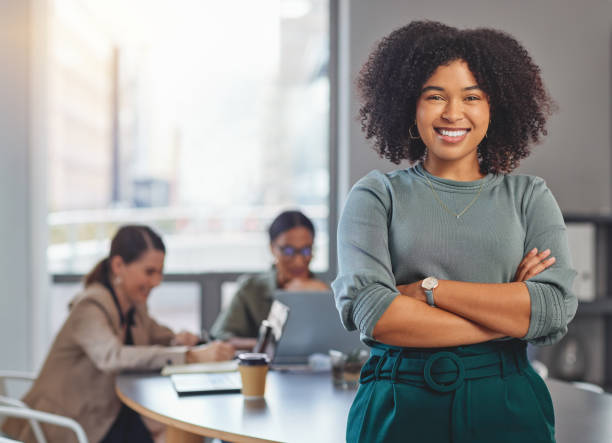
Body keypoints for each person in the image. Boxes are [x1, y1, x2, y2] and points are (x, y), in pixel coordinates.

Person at [332, 21, 577, 443]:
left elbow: (553, 308)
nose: (452, 113)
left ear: (493, 108)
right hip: (398, 404)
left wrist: (429, 289)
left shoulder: (529, 196)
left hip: (508, 404)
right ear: (410, 105)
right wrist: (510, 317)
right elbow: (375, 314)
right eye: (435, 96)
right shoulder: (376, 195)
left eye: (471, 97)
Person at [2, 225, 235, 443]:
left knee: (180, 428)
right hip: (70, 422)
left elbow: (154, 333)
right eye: (149, 272)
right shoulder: (90, 306)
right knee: (174, 429)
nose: (157, 281)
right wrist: (190, 356)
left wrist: (179, 340)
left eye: (160, 273)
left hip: (108, 411)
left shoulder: (133, 303)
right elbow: (112, 357)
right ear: (118, 266)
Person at [211, 210, 328, 346]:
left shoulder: (326, 291)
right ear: (272, 248)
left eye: (306, 250)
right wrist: (267, 346)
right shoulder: (251, 289)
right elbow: (220, 337)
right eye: (288, 251)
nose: (298, 261)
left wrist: (324, 295)